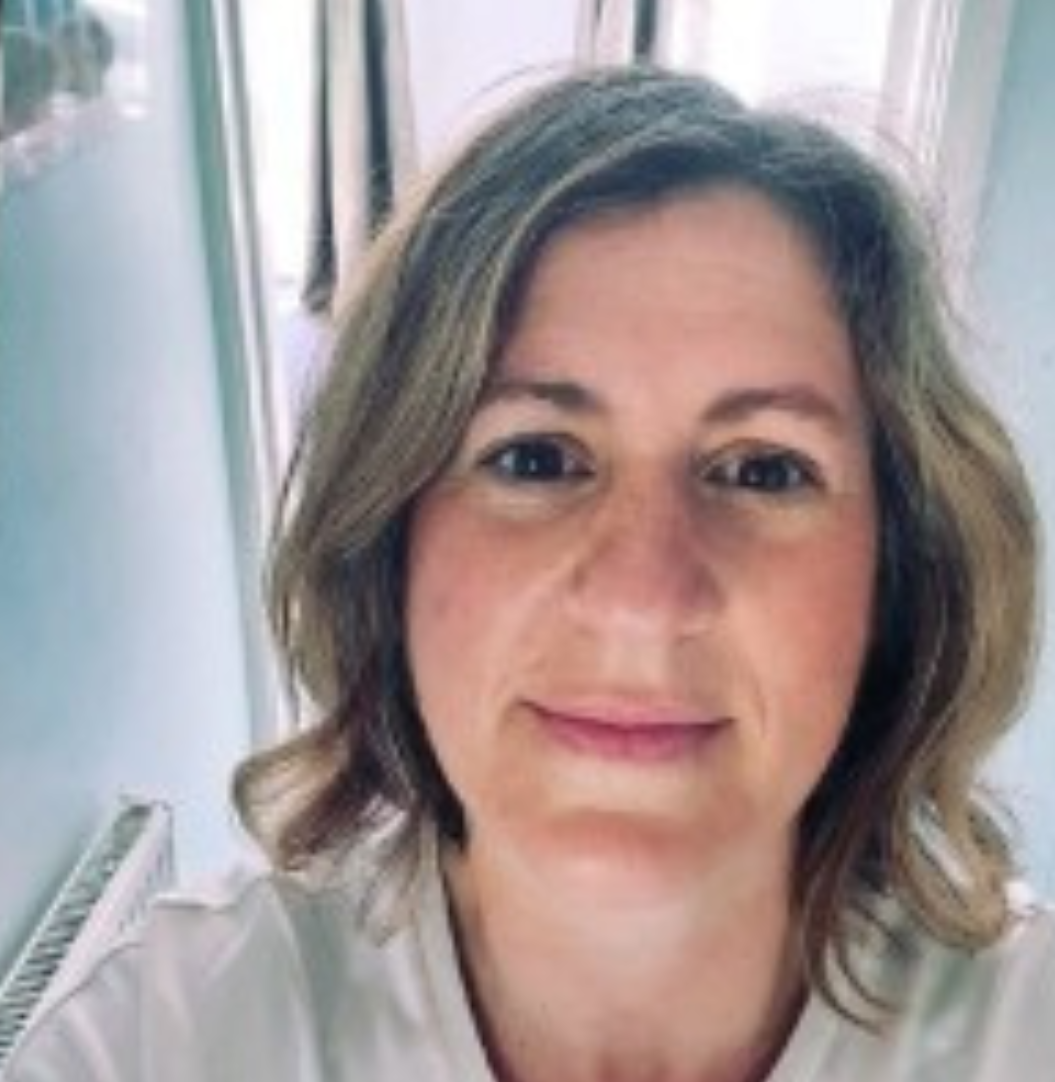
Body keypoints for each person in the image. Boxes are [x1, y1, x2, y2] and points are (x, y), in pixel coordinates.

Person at [5, 66, 1053, 1082]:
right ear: (387, 539)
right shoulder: (175, 1037)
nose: (641, 601)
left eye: (762, 469)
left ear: (899, 574)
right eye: (534, 457)